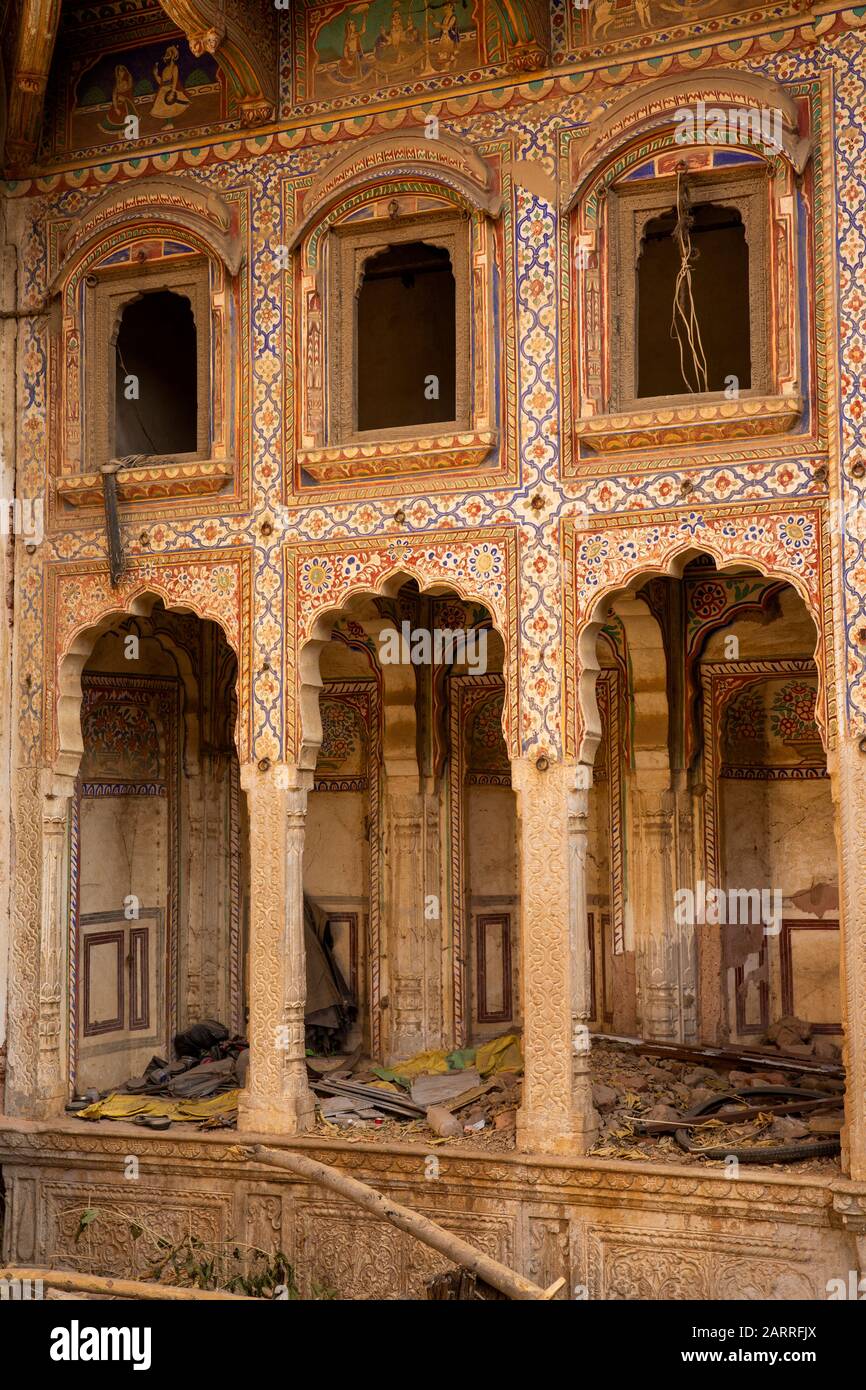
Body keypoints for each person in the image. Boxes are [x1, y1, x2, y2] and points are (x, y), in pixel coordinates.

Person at [150, 45, 192, 127]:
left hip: (170, 89)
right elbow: (161, 82)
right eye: (166, 55)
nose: (165, 57)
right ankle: (169, 123)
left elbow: (175, 80)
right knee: (165, 108)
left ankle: (170, 124)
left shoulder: (174, 67)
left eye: (168, 54)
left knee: (169, 106)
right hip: (163, 90)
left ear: (172, 56)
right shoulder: (165, 69)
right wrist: (155, 75)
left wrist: (172, 92)